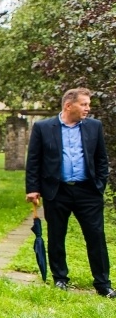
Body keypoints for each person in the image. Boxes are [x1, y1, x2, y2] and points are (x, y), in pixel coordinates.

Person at [25, 88, 114, 298]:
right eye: (84, 104)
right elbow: (34, 160)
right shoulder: (43, 128)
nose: (88, 108)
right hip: (57, 191)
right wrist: (33, 188)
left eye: (88, 104)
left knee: (96, 237)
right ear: (68, 105)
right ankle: (60, 279)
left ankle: (103, 284)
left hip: (88, 192)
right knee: (56, 236)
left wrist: (99, 185)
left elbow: (102, 159)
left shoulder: (94, 127)